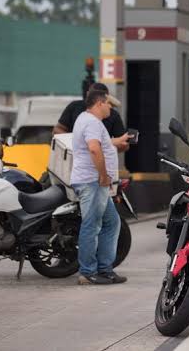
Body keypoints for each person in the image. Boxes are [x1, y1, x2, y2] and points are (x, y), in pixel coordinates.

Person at [70, 89, 129, 285]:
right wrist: (103, 176)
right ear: (99, 104)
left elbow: (98, 143)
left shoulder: (87, 120)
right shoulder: (92, 122)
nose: (111, 107)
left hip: (95, 183)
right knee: (92, 225)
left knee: (112, 223)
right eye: (108, 104)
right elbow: (94, 149)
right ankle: (87, 272)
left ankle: (104, 269)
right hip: (92, 182)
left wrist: (115, 141)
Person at [53, 82, 130, 153]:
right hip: (74, 156)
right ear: (87, 95)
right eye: (93, 96)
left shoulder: (113, 114)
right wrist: (73, 142)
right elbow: (57, 130)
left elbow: (124, 144)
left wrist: (107, 148)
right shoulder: (76, 108)